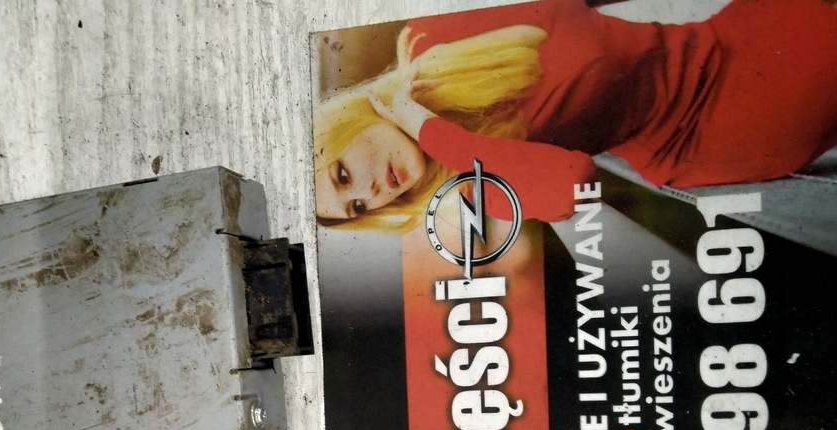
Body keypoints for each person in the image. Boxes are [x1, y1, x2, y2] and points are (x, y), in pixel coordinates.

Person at [313, 0, 837, 229]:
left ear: (343, 124)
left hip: (721, 34)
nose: (371, 194)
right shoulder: (477, 185)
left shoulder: (431, 32)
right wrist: (427, 129)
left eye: (343, 174)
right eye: (357, 207)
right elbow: (573, 183)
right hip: (704, 123)